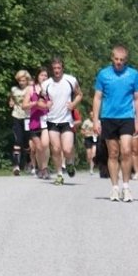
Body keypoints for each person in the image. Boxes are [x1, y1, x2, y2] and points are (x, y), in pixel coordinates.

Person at [91, 44, 138, 201]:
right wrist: (95, 120)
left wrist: (137, 120)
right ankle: (114, 188)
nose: (119, 62)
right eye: (116, 59)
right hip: (108, 117)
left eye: (122, 60)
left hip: (127, 117)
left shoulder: (133, 74)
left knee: (126, 150)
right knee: (113, 153)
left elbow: (137, 98)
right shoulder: (103, 74)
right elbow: (97, 97)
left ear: (126, 60)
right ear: (112, 58)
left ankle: (126, 187)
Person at [42, 56, 83, 186]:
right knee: (55, 148)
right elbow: (41, 100)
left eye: (59, 68)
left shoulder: (70, 80)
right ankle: (59, 174)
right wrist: (45, 104)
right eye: (54, 68)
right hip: (52, 120)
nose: (57, 70)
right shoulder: (46, 84)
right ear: (51, 69)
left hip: (67, 120)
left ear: (62, 68)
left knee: (67, 149)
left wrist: (73, 104)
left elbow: (79, 94)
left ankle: (69, 163)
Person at [24, 67, 51, 178]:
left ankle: (45, 168)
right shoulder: (31, 89)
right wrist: (35, 103)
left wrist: (49, 105)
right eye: (42, 75)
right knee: (38, 147)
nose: (44, 77)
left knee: (45, 145)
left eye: (46, 75)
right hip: (34, 121)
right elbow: (24, 105)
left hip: (46, 120)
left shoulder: (51, 88)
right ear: (37, 77)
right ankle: (41, 168)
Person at [8, 70, 32, 175]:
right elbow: (11, 98)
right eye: (19, 81)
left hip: (27, 117)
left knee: (26, 142)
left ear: (27, 80)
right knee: (17, 140)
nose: (21, 82)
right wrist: (11, 102)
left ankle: (28, 162)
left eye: (23, 80)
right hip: (16, 116)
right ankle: (16, 166)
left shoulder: (30, 89)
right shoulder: (14, 89)